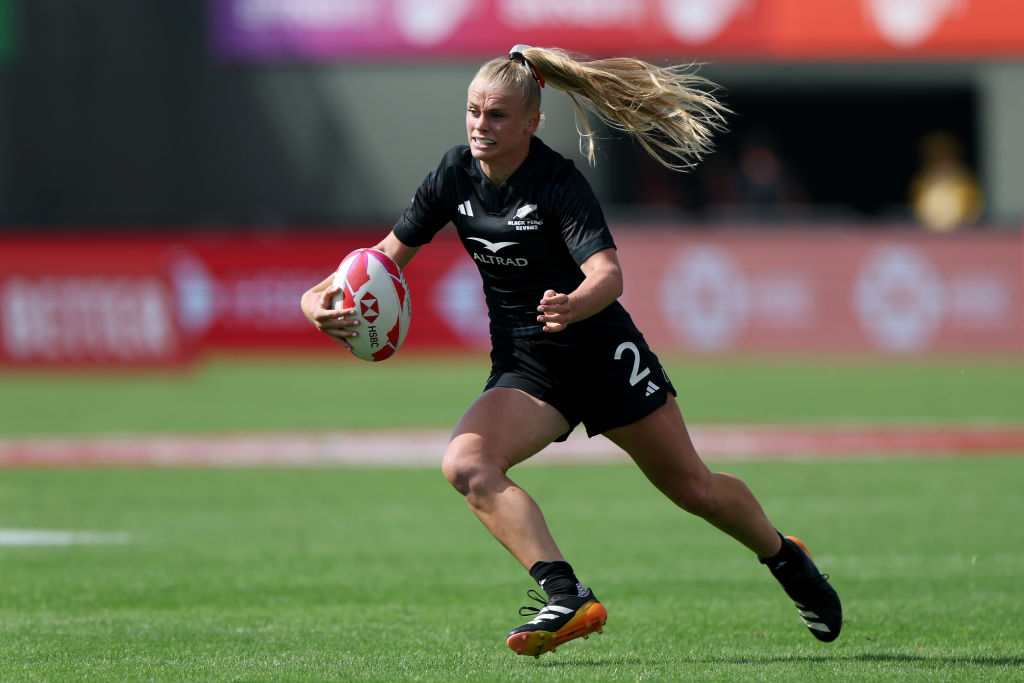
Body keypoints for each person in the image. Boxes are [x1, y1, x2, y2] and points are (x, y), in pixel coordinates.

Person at [300, 45, 842, 657]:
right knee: (466, 466)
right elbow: (377, 261)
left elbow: (608, 276)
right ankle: (565, 593)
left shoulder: (558, 182)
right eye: (474, 111)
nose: (482, 125)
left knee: (695, 491)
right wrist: (312, 304)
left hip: (602, 355)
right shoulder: (454, 175)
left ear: (532, 122)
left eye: (499, 115)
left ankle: (785, 558)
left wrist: (573, 303)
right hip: (529, 371)